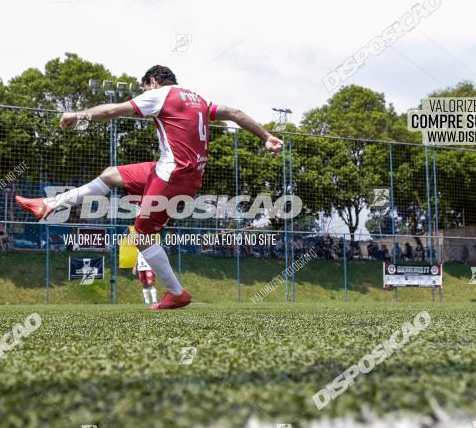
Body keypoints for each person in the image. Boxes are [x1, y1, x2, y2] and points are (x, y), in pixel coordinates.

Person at [15, 65, 282, 309]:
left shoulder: (160, 94)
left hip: (173, 174)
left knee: (142, 236)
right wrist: (267, 136)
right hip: (177, 171)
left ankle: (177, 293)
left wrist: (77, 115)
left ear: (152, 82)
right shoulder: (198, 99)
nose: (144, 94)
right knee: (110, 175)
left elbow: (111, 111)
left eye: (144, 88)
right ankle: (49, 204)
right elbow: (234, 113)